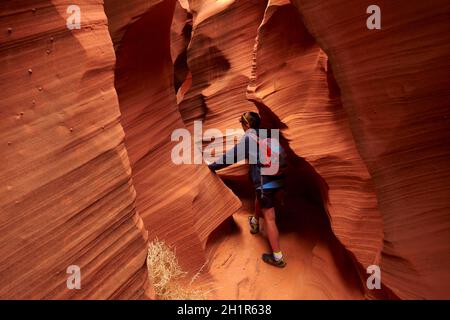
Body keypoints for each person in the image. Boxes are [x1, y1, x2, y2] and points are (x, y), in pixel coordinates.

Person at [207, 111, 287, 268]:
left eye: (242, 125)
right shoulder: (266, 134)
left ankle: (278, 258)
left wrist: (211, 166)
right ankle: (255, 222)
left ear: (247, 125)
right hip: (277, 179)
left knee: (270, 219)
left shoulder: (249, 137)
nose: (242, 128)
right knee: (259, 198)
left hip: (265, 184)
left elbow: (231, 156)